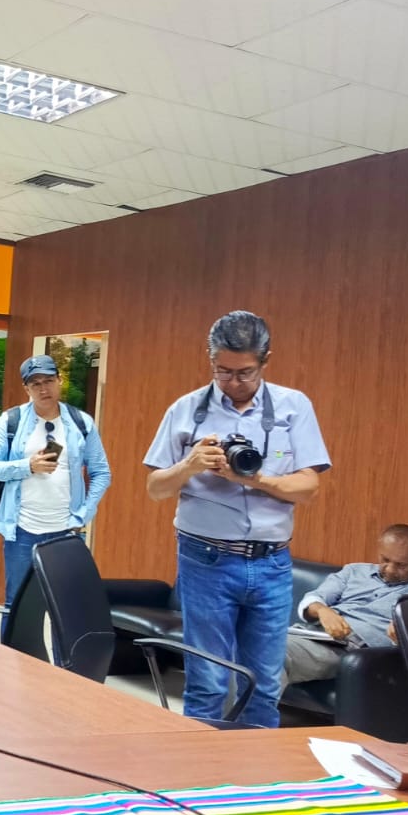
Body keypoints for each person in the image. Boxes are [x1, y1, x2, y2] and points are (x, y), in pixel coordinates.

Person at [144, 310, 330, 728]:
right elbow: (155, 488)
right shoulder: (186, 410)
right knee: (207, 681)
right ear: (210, 359)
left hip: (272, 562)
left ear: (266, 360)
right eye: (222, 371)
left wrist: (253, 478)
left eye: (244, 373)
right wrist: (189, 465)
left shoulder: (293, 407)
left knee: (264, 684)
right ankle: (201, 763)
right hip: (205, 559)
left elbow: (308, 488)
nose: (232, 382)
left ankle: (254, 765)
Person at [0, 356, 111, 638]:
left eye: (48, 380)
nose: (43, 388)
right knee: (17, 605)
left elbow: (102, 472)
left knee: (66, 609)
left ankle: (63, 666)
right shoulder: (11, 421)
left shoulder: (81, 422)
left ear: (59, 381)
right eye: (35, 383)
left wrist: (84, 513)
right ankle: (12, 662)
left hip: (66, 530)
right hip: (21, 530)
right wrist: (27, 466)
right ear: (26, 389)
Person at [284, 525, 408, 685]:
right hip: (309, 633)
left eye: (401, 565)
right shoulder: (354, 571)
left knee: (275, 655)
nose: (390, 570)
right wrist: (323, 611)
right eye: (385, 560)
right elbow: (314, 598)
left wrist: (402, 636)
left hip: (348, 649)